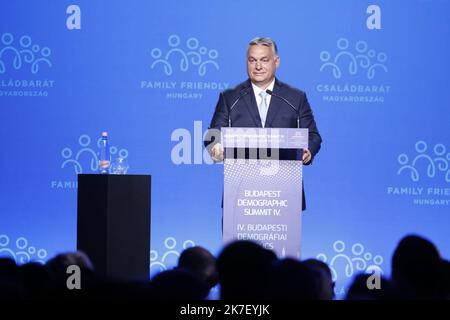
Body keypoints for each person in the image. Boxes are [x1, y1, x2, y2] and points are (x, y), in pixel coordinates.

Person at [205, 37, 322, 210]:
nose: (258, 66)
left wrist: (308, 152)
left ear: (277, 62)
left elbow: (313, 136)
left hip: (284, 193)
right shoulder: (230, 97)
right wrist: (215, 148)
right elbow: (212, 135)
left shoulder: (295, 97)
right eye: (252, 60)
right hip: (241, 193)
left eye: (264, 60)